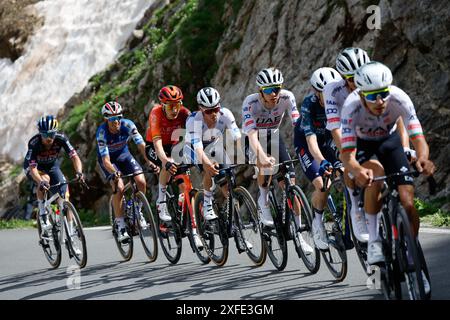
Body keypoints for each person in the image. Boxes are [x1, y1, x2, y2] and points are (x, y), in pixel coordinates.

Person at [340, 62, 435, 278]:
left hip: (389, 141)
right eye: (372, 96)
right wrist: (357, 170)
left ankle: (412, 246)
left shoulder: (399, 98)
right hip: (362, 144)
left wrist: (422, 158)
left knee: (408, 201)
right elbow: (346, 154)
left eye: (383, 94)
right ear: (362, 94)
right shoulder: (351, 106)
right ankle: (373, 240)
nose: (380, 101)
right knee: (374, 176)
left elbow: (417, 136)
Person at [242, 68, 301, 228]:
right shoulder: (250, 102)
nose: (273, 94)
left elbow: (298, 123)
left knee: (291, 182)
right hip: (252, 139)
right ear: (260, 91)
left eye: (276, 89)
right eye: (268, 90)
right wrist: (261, 156)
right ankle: (264, 201)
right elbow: (252, 134)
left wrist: (308, 144)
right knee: (266, 164)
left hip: (273, 136)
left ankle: (299, 232)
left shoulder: (287, 97)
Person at [294, 67, 343, 250]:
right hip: (308, 144)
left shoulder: (341, 100)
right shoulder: (309, 105)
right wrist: (321, 161)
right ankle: (317, 223)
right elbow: (311, 140)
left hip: (330, 140)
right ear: (316, 92)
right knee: (323, 185)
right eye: (324, 92)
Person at [96, 101, 158, 242]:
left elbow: (141, 145)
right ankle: (121, 225)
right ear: (106, 119)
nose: (116, 121)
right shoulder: (101, 132)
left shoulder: (128, 124)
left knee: (141, 181)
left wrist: (149, 162)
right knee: (119, 187)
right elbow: (105, 160)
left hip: (124, 155)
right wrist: (114, 172)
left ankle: (137, 210)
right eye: (112, 119)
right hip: (109, 161)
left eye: (118, 117)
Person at [24, 115, 84, 250]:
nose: (48, 138)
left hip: (52, 166)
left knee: (65, 198)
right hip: (35, 168)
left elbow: (75, 157)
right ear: (40, 134)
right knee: (45, 181)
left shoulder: (61, 139)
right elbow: (32, 168)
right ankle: (43, 213)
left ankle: (70, 237)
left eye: (51, 134)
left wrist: (79, 172)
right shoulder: (34, 143)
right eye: (45, 135)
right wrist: (39, 181)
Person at [184, 87, 242, 221]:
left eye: (216, 109)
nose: (213, 114)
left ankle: (236, 223)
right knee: (208, 169)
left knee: (228, 181)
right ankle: (207, 204)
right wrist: (208, 164)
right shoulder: (193, 120)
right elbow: (198, 149)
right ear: (201, 109)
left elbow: (237, 138)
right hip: (193, 148)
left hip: (213, 146)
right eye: (208, 111)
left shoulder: (226, 114)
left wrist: (245, 154)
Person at [145, 85, 190, 222]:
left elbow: (196, 135)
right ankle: (161, 201)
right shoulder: (155, 113)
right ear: (163, 105)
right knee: (167, 164)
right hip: (154, 146)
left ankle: (187, 218)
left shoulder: (184, 113)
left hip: (174, 144)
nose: (175, 110)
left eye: (177, 105)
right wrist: (165, 161)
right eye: (170, 106)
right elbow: (157, 144)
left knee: (185, 183)